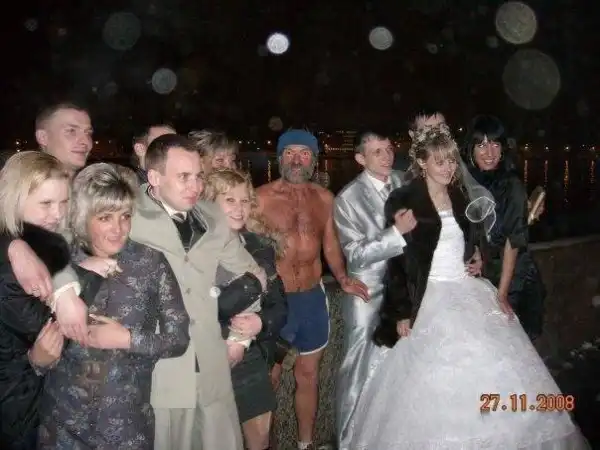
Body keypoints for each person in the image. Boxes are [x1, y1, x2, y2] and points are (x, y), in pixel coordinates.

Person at [345, 126, 589, 449]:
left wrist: (476, 257)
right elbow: (399, 262)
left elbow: (473, 237)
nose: (448, 168)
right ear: (422, 162)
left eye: (451, 161)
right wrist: (401, 311)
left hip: (466, 287)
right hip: (428, 296)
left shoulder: (459, 194)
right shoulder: (405, 200)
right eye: (440, 162)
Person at [38, 162, 190, 449]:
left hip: (127, 425)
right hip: (62, 424)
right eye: (105, 217)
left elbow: (179, 339)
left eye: (125, 216)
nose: (118, 229)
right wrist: (37, 359)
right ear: (83, 217)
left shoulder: (150, 263)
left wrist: (128, 339)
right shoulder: (57, 263)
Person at [256, 129, 368, 450]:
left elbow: (330, 245)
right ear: (280, 158)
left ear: (314, 160)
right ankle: (265, 445)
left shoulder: (324, 199)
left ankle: (306, 444)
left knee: (308, 375)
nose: (296, 160)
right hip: (276, 302)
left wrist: (343, 278)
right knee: (269, 378)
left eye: (303, 154)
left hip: (312, 301)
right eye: (289, 153)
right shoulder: (259, 199)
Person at [333, 131, 417, 447]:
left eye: (389, 149)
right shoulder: (347, 198)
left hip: (406, 289)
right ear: (360, 158)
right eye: (377, 151)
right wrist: (396, 233)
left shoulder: (405, 181)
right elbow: (354, 254)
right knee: (357, 369)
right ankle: (348, 439)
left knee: (400, 365)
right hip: (367, 293)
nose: (386, 156)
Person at [204, 168, 288, 450]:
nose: (239, 209)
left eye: (244, 201)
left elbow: (279, 305)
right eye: (229, 200)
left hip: (250, 355)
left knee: (260, 437)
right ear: (209, 203)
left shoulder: (259, 246)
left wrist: (260, 323)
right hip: (207, 356)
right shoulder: (192, 246)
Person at [0, 152, 71, 450]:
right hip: (17, 412)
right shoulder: (12, 272)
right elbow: (65, 335)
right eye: (46, 203)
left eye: (64, 202)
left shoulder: (37, 246)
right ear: (15, 199)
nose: (57, 214)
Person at [463, 114, 546, 340]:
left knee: (511, 342)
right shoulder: (469, 183)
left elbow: (513, 241)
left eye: (495, 144)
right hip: (487, 273)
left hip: (513, 278)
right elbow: (475, 228)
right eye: (482, 145)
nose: (489, 153)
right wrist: (478, 252)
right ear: (471, 149)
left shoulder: (511, 185)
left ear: (502, 149)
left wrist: (502, 293)